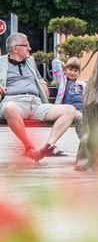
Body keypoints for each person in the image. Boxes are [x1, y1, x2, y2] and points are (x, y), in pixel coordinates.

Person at [0, 33, 77, 162]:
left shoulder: (30, 61)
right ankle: (30, 149)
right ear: (15, 48)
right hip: (14, 102)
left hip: (36, 104)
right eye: (26, 46)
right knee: (9, 108)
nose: (29, 48)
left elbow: (38, 77)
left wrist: (42, 82)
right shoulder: (1, 62)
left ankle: (49, 146)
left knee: (70, 110)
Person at [55, 57, 86, 137]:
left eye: (75, 71)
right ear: (65, 69)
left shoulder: (82, 84)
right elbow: (55, 62)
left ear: (79, 73)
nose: (72, 72)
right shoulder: (62, 81)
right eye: (70, 69)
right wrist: (65, 67)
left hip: (82, 109)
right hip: (69, 110)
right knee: (79, 117)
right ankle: (83, 137)